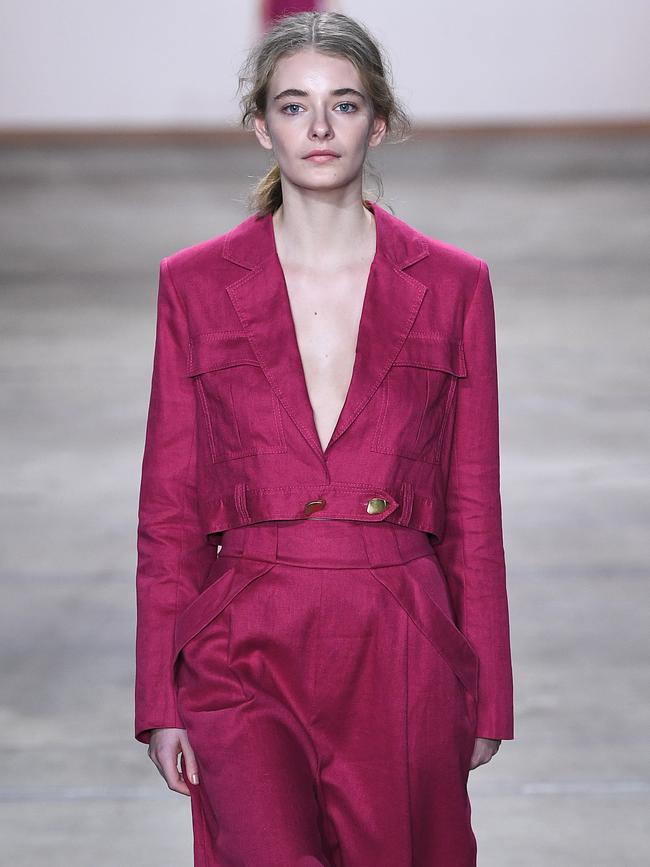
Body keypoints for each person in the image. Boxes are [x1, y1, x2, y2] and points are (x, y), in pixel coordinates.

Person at [134, 11, 514, 867]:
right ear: (260, 126)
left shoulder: (453, 286)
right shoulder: (193, 284)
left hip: (401, 640)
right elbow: (168, 507)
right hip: (242, 638)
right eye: (294, 105)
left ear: (378, 122)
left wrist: (488, 692)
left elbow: (473, 506)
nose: (318, 127)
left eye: (342, 105)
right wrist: (161, 694)